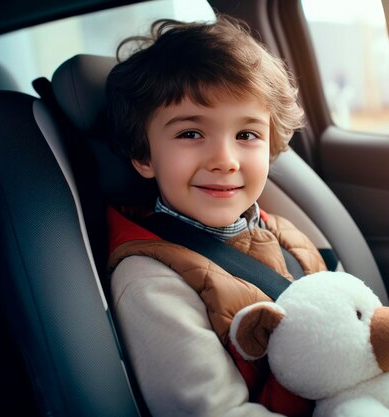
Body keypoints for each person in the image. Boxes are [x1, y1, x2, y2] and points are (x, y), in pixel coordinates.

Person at [105, 16, 329, 417]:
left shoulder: (280, 230)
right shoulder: (150, 283)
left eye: (247, 135)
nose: (225, 161)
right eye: (191, 134)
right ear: (143, 155)